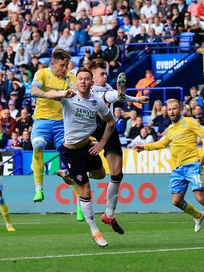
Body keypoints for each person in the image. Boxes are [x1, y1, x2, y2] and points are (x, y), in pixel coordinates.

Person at [135, 99, 204, 239]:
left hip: (192, 165)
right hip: (178, 169)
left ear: (180, 110)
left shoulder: (189, 122)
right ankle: (198, 216)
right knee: (176, 201)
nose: (172, 111)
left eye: (174, 109)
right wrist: (144, 147)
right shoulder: (171, 129)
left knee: (200, 198)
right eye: (170, 109)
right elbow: (162, 144)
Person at [42, 67, 115, 247]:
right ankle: (94, 231)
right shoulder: (68, 97)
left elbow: (111, 122)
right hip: (71, 151)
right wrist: (60, 92)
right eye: (80, 78)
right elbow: (46, 94)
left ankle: (69, 175)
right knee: (86, 190)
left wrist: (102, 144)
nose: (83, 81)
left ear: (91, 82)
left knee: (101, 175)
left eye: (86, 79)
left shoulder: (96, 102)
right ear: (76, 82)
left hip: (88, 147)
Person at [87, 59, 149, 233]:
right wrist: (120, 94)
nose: (105, 76)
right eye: (102, 74)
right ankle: (76, 175)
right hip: (90, 129)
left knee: (117, 173)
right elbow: (112, 97)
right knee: (94, 171)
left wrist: (137, 98)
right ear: (92, 77)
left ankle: (109, 214)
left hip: (108, 129)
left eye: (106, 73)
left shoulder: (107, 89)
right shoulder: (88, 90)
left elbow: (117, 95)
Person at [29, 49, 77, 205]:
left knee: (71, 157)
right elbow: (34, 91)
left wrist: (60, 93)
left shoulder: (70, 77)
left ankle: (79, 201)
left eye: (66, 66)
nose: (64, 69)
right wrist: (52, 94)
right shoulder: (42, 73)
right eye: (62, 66)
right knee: (37, 146)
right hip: (42, 120)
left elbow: (75, 91)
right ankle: (38, 189)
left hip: (62, 123)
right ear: (53, 63)